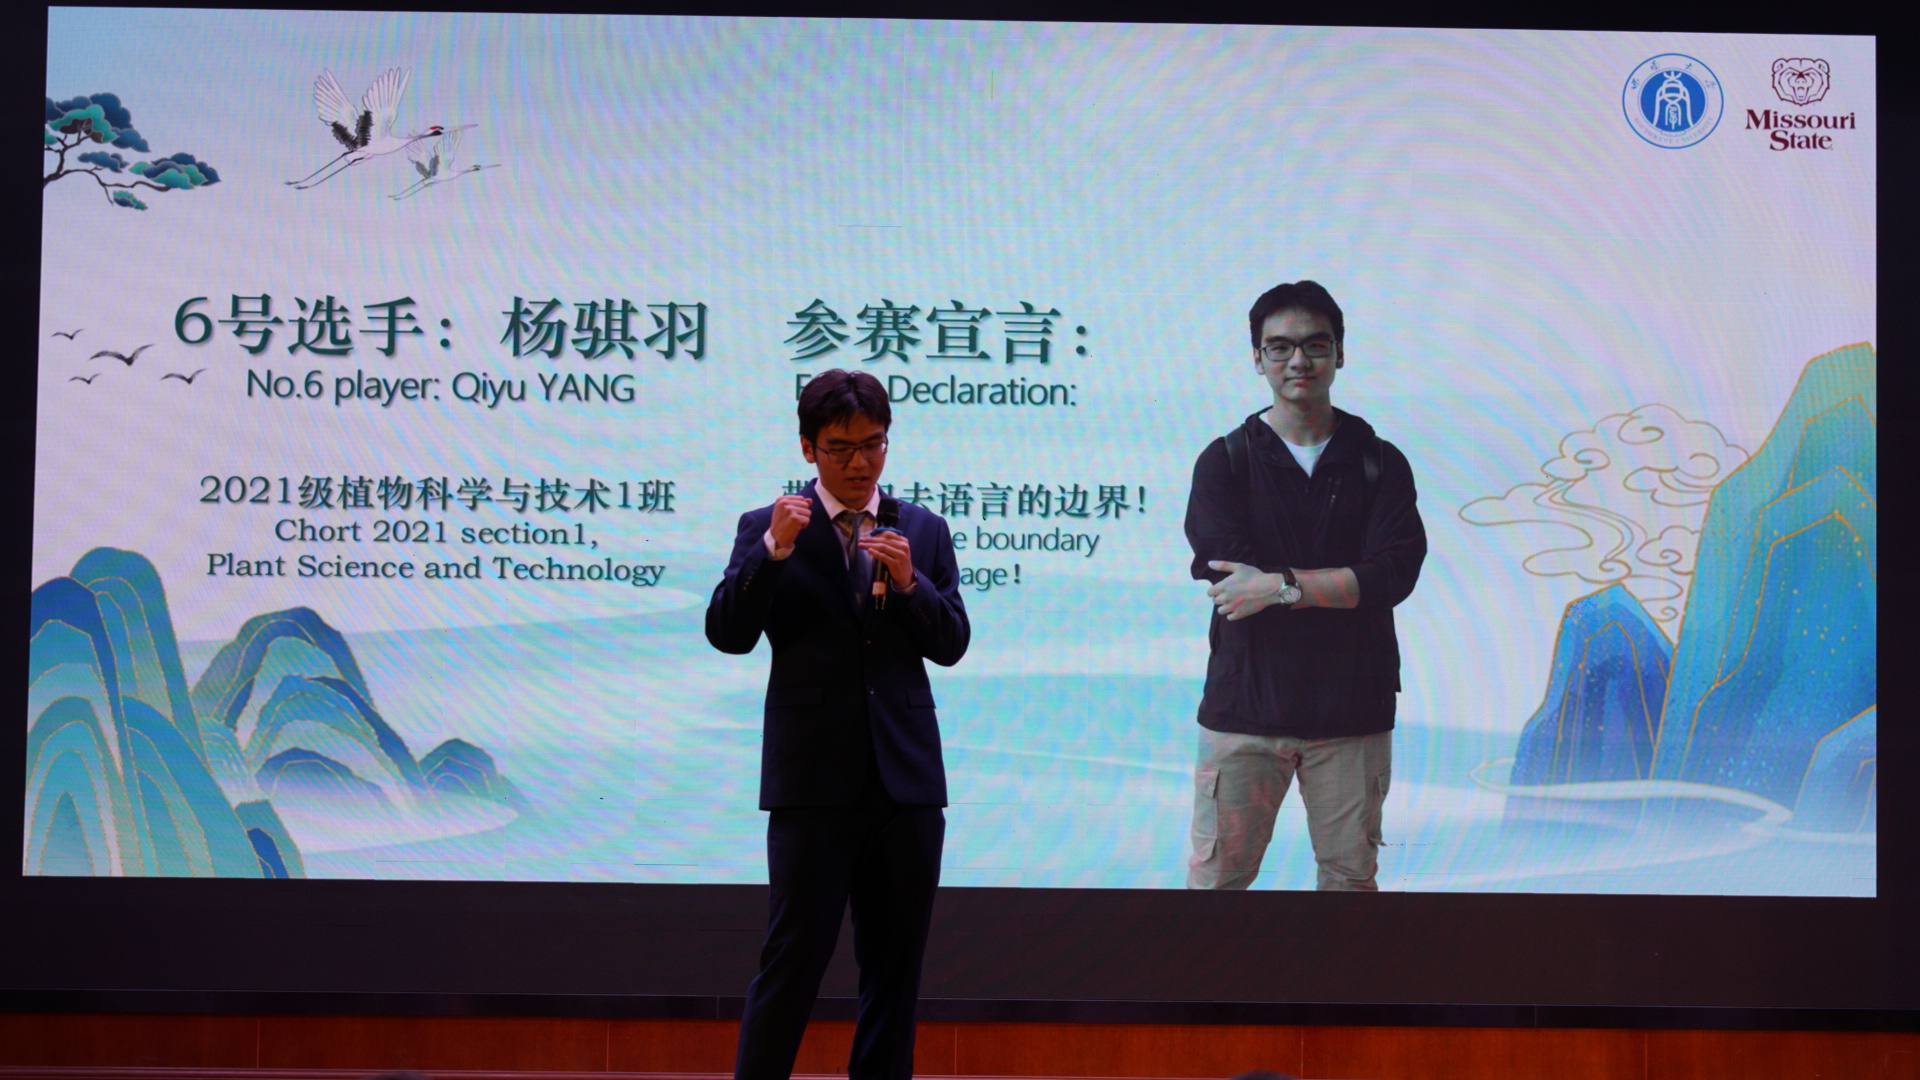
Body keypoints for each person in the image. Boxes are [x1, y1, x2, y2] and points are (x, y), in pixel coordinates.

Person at [707, 369, 970, 1080]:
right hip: (812, 783)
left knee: (895, 970)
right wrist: (773, 551)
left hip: (905, 785)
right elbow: (728, 633)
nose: (860, 464)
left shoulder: (921, 529)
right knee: (793, 958)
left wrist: (911, 584)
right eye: (841, 449)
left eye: (873, 445)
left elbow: (951, 643)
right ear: (808, 448)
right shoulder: (768, 525)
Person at [1183, 280, 1426, 891]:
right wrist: (1340, 584)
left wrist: (1280, 586)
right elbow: (1232, 583)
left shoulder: (1379, 462)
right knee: (1217, 886)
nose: (1299, 360)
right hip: (1246, 709)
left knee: (1348, 885)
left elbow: (1393, 574)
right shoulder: (1226, 461)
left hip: (1352, 710)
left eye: (1316, 345)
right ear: (1258, 358)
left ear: (1339, 354)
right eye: (1280, 347)